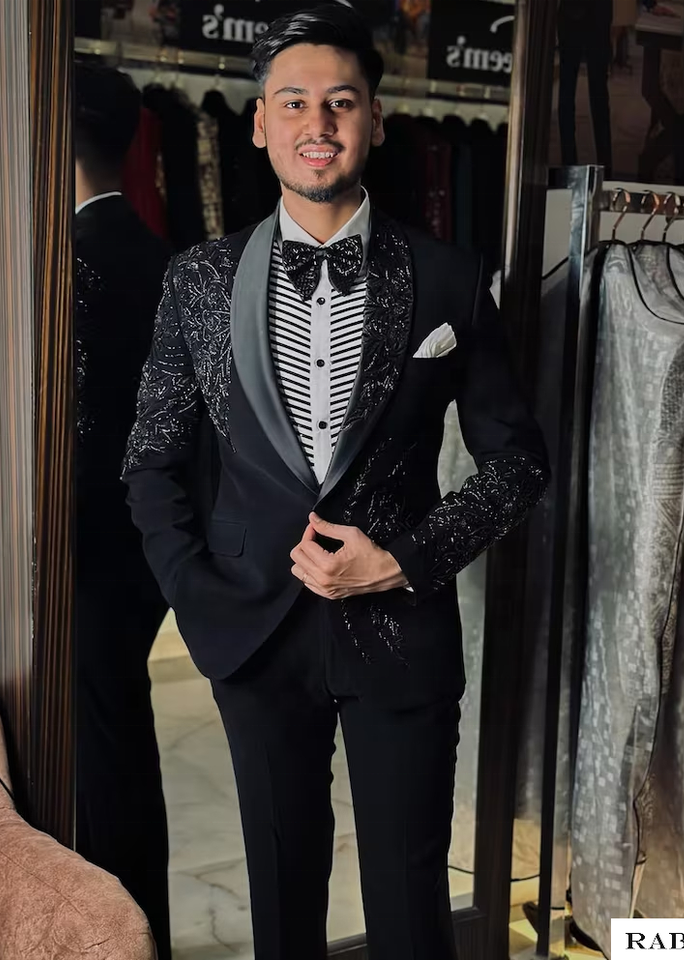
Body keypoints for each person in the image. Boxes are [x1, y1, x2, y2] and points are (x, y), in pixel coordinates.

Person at [122, 6, 549, 960]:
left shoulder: (449, 278)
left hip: (401, 629)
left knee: (409, 906)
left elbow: (520, 463)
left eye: (342, 102)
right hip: (250, 631)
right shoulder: (198, 278)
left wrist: (403, 560)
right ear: (260, 123)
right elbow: (150, 460)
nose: (318, 123)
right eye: (294, 102)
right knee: (281, 899)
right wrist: (197, 598)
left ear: (376, 120)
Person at [75, 62, 171, 960]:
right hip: (139, 546)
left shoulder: (66, 262)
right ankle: (141, 930)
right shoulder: (162, 259)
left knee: (93, 755)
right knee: (119, 742)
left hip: (76, 547)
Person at [557, 0, 614, 175]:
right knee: (593, 95)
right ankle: (600, 165)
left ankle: (571, 164)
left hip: (585, 14)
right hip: (588, 14)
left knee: (581, 92)